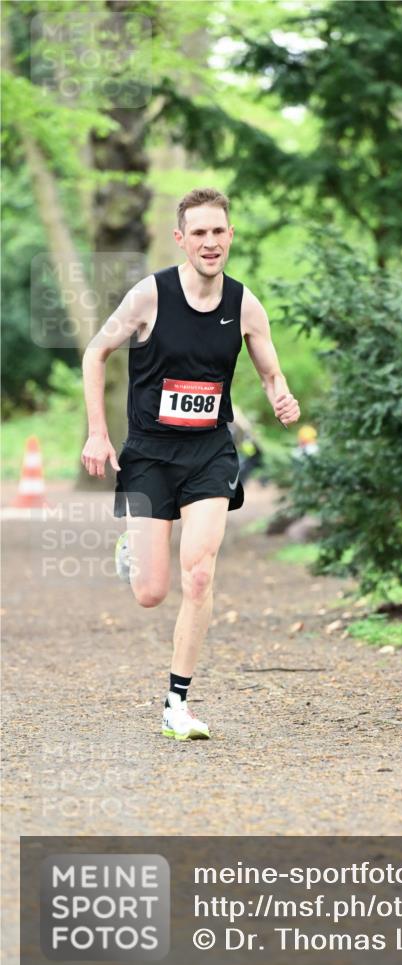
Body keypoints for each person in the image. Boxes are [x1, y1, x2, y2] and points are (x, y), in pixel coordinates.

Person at [80, 188, 300, 741]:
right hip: (149, 453)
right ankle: (133, 548)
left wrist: (282, 394)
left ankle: (177, 701)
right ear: (181, 238)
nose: (209, 241)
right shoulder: (149, 296)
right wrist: (99, 434)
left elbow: (271, 369)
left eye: (218, 231)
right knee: (151, 592)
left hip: (209, 451)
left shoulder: (246, 305)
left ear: (231, 236)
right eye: (198, 232)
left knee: (199, 572)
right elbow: (95, 353)